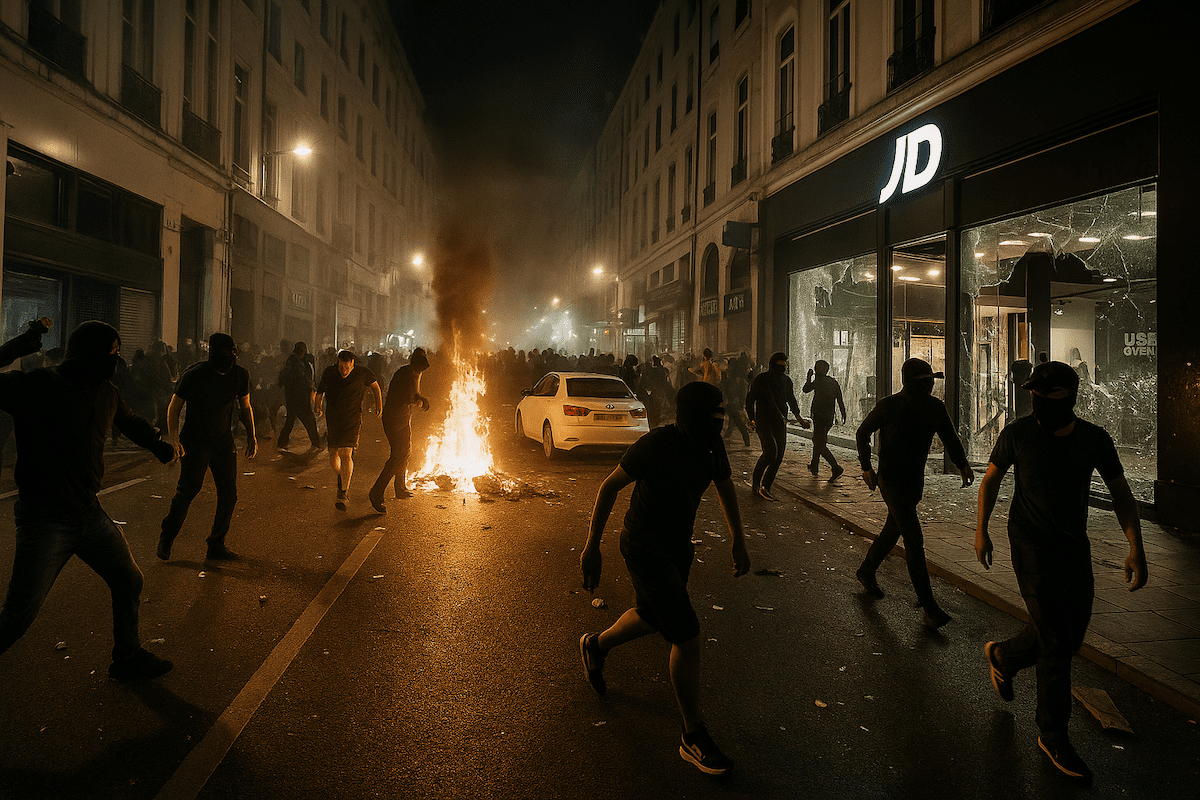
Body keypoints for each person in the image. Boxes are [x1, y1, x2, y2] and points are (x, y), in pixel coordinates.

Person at [976, 361, 1146, 782]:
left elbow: (1122, 494)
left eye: (1047, 395)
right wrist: (981, 531)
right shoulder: (1018, 433)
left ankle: (1004, 655)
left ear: (1068, 397)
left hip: (1072, 544)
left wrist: (1136, 548)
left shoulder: (1094, 440)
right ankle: (1053, 735)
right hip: (1029, 543)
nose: (1038, 402)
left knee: (1071, 633)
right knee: (1054, 637)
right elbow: (992, 480)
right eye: (1033, 394)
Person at [578, 381, 750, 776]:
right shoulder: (655, 444)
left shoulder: (711, 445)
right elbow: (609, 488)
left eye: (721, 413)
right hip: (642, 546)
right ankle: (692, 736)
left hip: (677, 548)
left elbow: (725, 489)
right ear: (689, 415)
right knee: (686, 634)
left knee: (653, 616)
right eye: (712, 414)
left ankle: (596, 646)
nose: (719, 421)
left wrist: (739, 540)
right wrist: (592, 546)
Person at [0, 318, 179, 680]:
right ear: (87, 356)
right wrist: (20, 345)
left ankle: (127, 657)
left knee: (129, 581)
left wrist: (160, 446)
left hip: (88, 514)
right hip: (45, 520)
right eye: (110, 356)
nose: (115, 365)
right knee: (18, 617)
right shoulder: (36, 386)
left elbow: (129, 421)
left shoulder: (106, 391)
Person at [855, 358, 974, 627]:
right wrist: (866, 468)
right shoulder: (890, 405)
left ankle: (867, 569)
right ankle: (930, 607)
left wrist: (962, 464)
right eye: (928, 380)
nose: (932, 384)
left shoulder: (934, 407)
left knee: (893, 530)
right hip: (891, 481)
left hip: (912, 483)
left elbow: (949, 437)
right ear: (917, 383)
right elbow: (862, 433)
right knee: (913, 538)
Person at [157, 333, 256, 561]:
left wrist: (252, 436)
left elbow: (245, 407)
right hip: (195, 441)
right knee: (188, 491)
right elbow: (174, 406)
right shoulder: (195, 374)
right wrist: (174, 438)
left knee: (228, 495)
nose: (227, 362)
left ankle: (216, 544)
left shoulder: (240, 375)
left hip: (223, 442)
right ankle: (167, 538)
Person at [315, 349, 382, 510]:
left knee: (346, 452)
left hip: (352, 419)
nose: (344, 371)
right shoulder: (329, 372)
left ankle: (343, 492)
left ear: (353, 364)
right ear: (337, 363)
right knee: (333, 456)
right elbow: (320, 392)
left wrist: (378, 404)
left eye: (347, 367)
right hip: (333, 419)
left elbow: (375, 387)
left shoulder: (363, 373)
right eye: (341, 367)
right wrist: (317, 406)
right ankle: (342, 477)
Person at [369, 347, 431, 511]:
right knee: (397, 456)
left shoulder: (413, 372)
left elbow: (413, 395)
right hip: (394, 418)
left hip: (403, 416)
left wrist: (420, 399)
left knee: (406, 452)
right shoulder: (406, 374)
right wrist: (419, 400)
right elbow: (407, 396)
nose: (421, 372)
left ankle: (400, 487)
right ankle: (376, 492)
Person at [745, 352, 810, 501]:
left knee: (778, 456)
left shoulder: (787, 381)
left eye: (784, 365)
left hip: (780, 422)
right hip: (763, 420)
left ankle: (765, 486)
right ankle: (755, 483)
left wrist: (799, 418)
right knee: (770, 452)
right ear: (772, 365)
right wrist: (751, 418)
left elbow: (791, 400)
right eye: (780, 365)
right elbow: (751, 399)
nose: (782, 368)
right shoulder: (762, 379)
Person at [802, 360, 847, 480]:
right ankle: (814, 466)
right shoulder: (833, 382)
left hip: (820, 417)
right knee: (818, 441)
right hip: (829, 417)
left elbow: (805, 389)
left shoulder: (818, 381)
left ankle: (836, 467)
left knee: (819, 443)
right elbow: (840, 399)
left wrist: (808, 377)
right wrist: (843, 414)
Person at [276, 341, 321, 452]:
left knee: (291, 420)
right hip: (298, 396)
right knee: (309, 420)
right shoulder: (295, 362)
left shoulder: (297, 361)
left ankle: (282, 443)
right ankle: (316, 443)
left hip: (294, 395)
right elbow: (300, 378)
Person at [719, 354, 751, 448]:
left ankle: (745, 440)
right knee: (734, 420)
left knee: (736, 420)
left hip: (732, 401)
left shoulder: (733, 376)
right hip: (731, 401)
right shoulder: (735, 375)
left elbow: (730, 388)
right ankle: (743, 439)